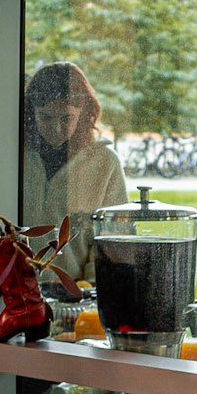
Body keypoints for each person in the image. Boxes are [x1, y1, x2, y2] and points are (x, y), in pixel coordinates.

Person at [21, 62, 127, 282]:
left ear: (84, 113)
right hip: (12, 294)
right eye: (46, 117)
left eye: (66, 118)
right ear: (31, 113)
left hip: (75, 297)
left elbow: (114, 238)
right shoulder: (13, 155)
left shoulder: (105, 162)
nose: (56, 128)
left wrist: (88, 290)